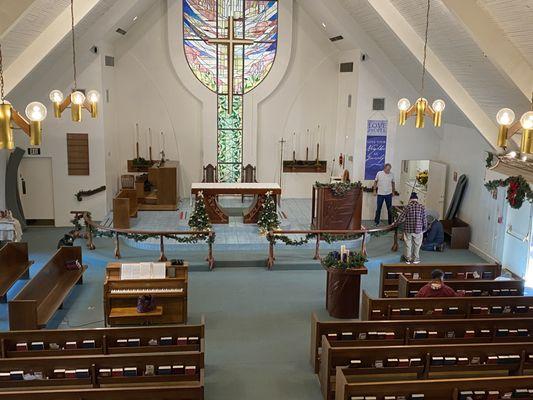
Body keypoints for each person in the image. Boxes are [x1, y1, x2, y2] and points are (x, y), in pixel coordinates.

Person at [395, 192, 427, 264]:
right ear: (417, 199)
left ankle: (408, 259)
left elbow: (401, 217)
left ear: (410, 199)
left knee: (408, 244)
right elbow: (424, 219)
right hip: (418, 230)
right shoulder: (422, 207)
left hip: (408, 229)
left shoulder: (407, 207)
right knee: (417, 245)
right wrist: (425, 228)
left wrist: (396, 223)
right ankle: (416, 259)